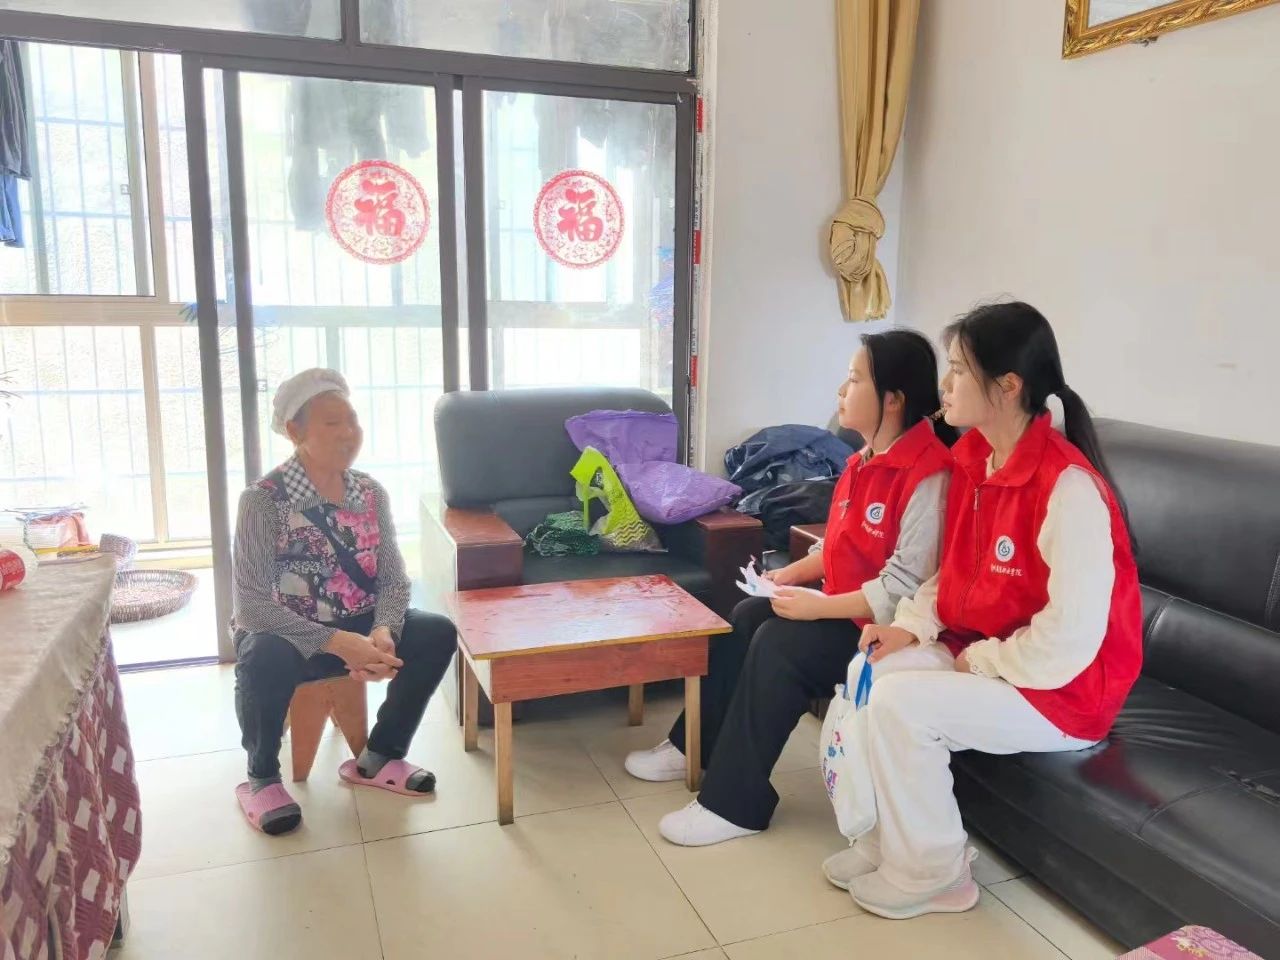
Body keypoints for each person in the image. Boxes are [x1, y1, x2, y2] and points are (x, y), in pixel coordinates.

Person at [826, 301, 1142, 920]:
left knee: (902, 704)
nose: (944, 385)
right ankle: (887, 841)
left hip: (1064, 691)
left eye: (958, 370)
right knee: (874, 673)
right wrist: (909, 627)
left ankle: (937, 872)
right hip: (995, 653)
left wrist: (985, 661)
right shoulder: (975, 459)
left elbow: (1071, 640)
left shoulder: (1069, 488)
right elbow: (954, 571)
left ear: (1008, 386)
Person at [628, 330, 958, 846]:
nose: (841, 391)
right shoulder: (862, 461)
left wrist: (818, 607)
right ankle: (693, 747)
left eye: (855, 380)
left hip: (887, 632)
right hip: (845, 611)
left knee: (780, 645)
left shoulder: (930, 475)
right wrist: (790, 575)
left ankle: (734, 806)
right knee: (746, 617)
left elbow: (902, 588)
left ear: (893, 399)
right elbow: (839, 545)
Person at [232, 368, 457, 835]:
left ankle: (380, 756)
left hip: (360, 626)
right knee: (262, 652)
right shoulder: (263, 501)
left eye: (352, 420)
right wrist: (337, 642)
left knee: (435, 632)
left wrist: (383, 630)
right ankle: (261, 778)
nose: (348, 433)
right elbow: (251, 606)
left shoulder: (370, 493)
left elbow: (393, 579)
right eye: (332, 423)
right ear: (294, 431)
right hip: (290, 637)